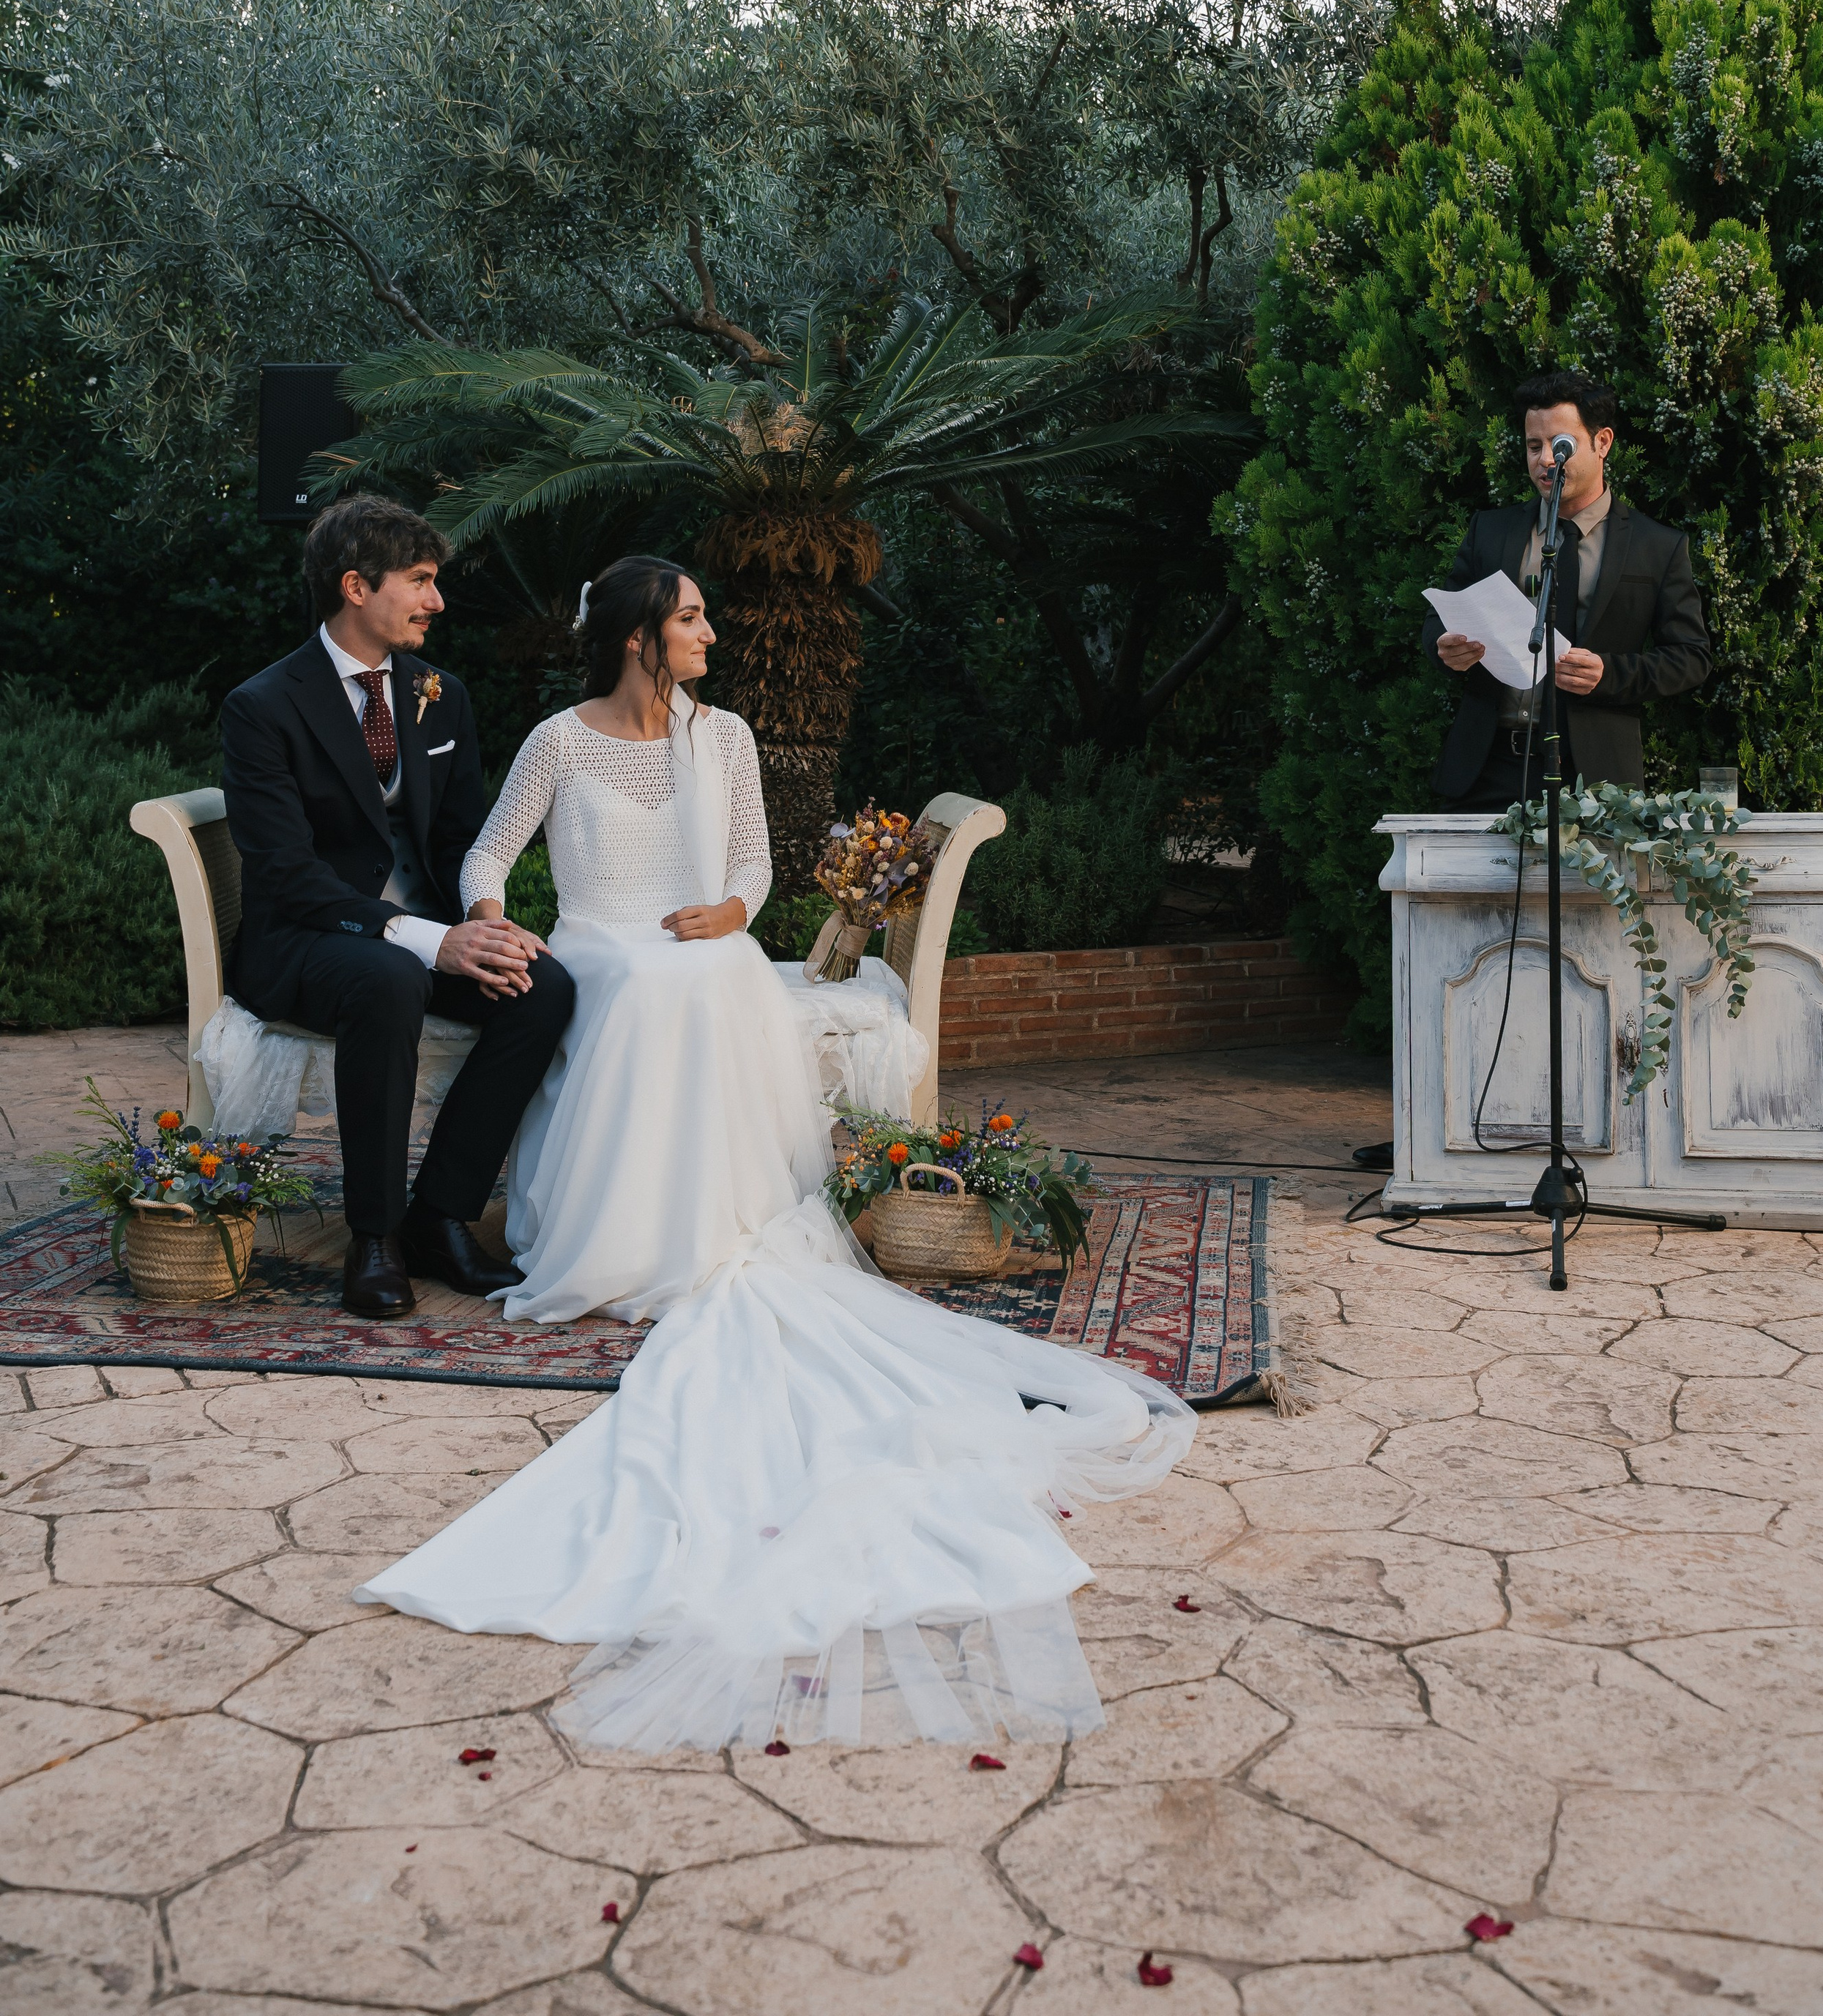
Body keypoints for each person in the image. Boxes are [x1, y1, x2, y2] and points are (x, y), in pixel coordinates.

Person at [356, 555, 1194, 1752]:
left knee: (712, 974)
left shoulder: (729, 738)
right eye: (692, 617)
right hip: (601, 944)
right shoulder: (559, 739)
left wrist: (734, 912)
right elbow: (488, 856)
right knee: (654, 985)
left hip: (701, 944)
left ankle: (715, 1224)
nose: (712, 630)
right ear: (642, 636)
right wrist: (491, 915)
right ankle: (630, 1232)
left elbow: (750, 863)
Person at [219, 496, 576, 1320]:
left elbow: (458, 841)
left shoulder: (440, 695)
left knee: (545, 986)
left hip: (422, 935)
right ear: (355, 586)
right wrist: (427, 940)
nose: (437, 601)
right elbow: (285, 874)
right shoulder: (263, 707)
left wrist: (483, 921)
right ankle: (373, 1238)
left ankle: (438, 1218)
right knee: (387, 978)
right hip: (309, 940)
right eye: (419, 581)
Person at [1424, 369, 1712, 810]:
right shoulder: (1491, 530)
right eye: (1533, 446)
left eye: (1560, 446)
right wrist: (1447, 649)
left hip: (1595, 775)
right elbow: (1439, 622)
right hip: (1488, 765)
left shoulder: (1657, 547)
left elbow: (1691, 658)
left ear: (1603, 443)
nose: (1544, 461)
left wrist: (1608, 674)